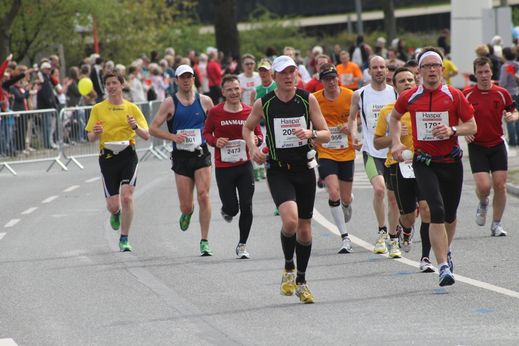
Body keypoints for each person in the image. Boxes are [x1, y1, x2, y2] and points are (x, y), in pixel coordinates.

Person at [242, 55, 330, 304]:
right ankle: (289, 267)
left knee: (304, 230)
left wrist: (311, 133)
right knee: (290, 221)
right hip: (279, 169)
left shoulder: (306, 99)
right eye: (284, 73)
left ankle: (301, 280)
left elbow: (325, 134)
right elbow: (248, 128)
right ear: (275, 76)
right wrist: (253, 148)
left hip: (304, 169)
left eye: (292, 71)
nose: (289, 76)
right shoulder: (265, 103)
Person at [390, 47, 477, 287]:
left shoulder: (454, 95)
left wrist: (453, 130)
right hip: (424, 162)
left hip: (450, 161)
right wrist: (396, 142)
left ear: (442, 70)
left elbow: (472, 126)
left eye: (435, 66)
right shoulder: (409, 97)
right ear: (418, 71)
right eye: (426, 66)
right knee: (435, 210)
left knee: (449, 214)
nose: (431, 70)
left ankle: (446, 251)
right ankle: (443, 267)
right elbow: (394, 118)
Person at [149, 65, 215, 256]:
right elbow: (153, 128)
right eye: (182, 78)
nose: (186, 81)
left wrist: (216, 137)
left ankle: (204, 240)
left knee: (204, 195)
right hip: (181, 156)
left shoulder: (205, 101)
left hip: (201, 153)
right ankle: (187, 212)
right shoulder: (170, 103)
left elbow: (215, 124)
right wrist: (172, 137)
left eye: (189, 77)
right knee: (186, 205)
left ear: (194, 79)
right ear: (176, 80)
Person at [374, 67, 434, 271]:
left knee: (426, 209)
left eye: (410, 79)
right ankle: (405, 230)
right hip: (398, 166)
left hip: (424, 163)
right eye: (402, 81)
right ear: (395, 86)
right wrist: (395, 137)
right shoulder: (388, 111)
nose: (407, 83)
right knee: (408, 215)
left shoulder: (426, 107)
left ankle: (425, 258)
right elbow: (377, 143)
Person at [85, 72, 150, 252]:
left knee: (127, 197)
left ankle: (124, 238)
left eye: (114, 83)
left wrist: (134, 126)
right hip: (107, 158)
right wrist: (96, 133)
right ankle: (116, 213)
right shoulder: (98, 108)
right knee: (113, 205)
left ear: (122, 85)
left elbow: (146, 135)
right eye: (108, 84)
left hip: (128, 155)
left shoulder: (132, 108)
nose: (111, 86)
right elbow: (90, 137)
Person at [203, 75, 263, 258]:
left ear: (241, 90)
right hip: (224, 167)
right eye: (229, 89)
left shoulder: (249, 111)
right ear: (223, 92)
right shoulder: (215, 112)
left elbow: (259, 135)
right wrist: (215, 141)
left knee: (247, 206)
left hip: (244, 165)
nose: (234, 92)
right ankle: (226, 210)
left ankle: (242, 245)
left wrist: (256, 140)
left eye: (236, 88)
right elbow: (206, 132)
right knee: (232, 208)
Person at [347, 55, 399, 255]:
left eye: (382, 67)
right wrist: (354, 137)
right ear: (368, 71)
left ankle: (393, 238)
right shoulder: (360, 94)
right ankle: (381, 232)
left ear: (387, 71)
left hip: (392, 152)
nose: (378, 70)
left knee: (393, 199)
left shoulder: (395, 93)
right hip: (372, 151)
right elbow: (352, 119)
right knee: (379, 190)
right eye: (374, 67)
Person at [463, 57, 518, 237]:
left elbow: (514, 110)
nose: (484, 76)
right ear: (475, 74)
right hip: (477, 145)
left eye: (486, 71)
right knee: (484, 186)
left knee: (500, 185)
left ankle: (496, 224)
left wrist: (512, 117)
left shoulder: (501, 93)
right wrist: (464, 131)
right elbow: (456, 115)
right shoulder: (467, 94)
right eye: (480, 73)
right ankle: (484, 202)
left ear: (491, 72)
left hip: (497, 143)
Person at [313, 63, 355, 253]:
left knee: (345, 196)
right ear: (321, 81)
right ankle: (345, 237)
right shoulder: (315, 99)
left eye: (333, 78)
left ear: (338, 78)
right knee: (333, 191)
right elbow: (308, 119)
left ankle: (347, 202)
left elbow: (358, 118)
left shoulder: (350, 95)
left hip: (346, 150)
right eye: (326, 79)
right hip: (326, 150)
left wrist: (350, 126)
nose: (331, 82)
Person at [499, 47, 519, 147]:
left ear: (504, 55)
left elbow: (503, 82)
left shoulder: (505, 66)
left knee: (509, 116)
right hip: (517, 92)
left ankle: (512, 140)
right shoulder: (517, 65)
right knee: (517, 115)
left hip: (509, 94)